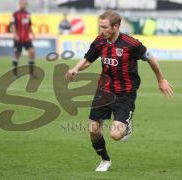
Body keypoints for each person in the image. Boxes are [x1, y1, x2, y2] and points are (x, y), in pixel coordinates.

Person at [65, 10, 174, 172]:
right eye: (100, 27)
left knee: (116, 135)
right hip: (104, 90)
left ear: (116, 26)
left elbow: (150, 58)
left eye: (104, 27)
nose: (101, 30)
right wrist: (76, 69)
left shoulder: (131, 44)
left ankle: (126, 125)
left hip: (125, 93)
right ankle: (105, 160)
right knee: (93, 130)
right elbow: (88, 60)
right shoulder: (100, 41)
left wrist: (161, 79)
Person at [11, 0, 35, 78]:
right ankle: (14, 72)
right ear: (20, 4)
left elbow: (29, 25)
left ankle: (31, 72)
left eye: (25, 3)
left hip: (27, 38)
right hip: (19, 38)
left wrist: (33, 34)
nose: (24, 5)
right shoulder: (16, 14)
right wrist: (15, 35)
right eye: (23, 3)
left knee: (32, 52)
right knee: (17, 54)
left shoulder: (28, 14)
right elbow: (13, 25)